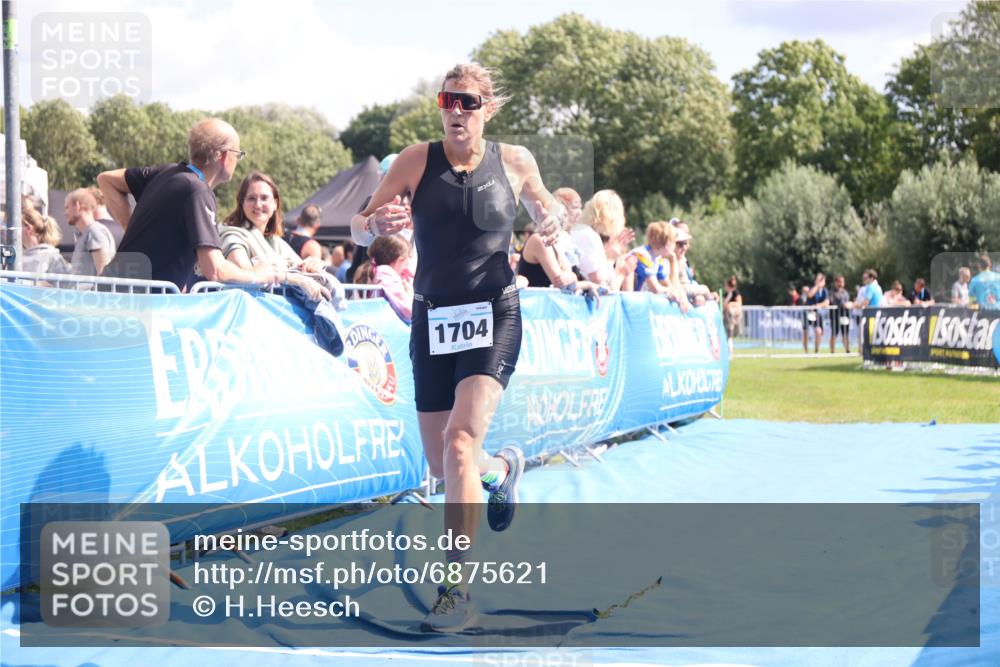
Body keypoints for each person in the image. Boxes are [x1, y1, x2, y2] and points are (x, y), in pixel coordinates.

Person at [349, 63, 564, 633]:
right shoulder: (414, 160)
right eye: (448, 100)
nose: (455, 111)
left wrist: (555, 217)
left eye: (467, 102)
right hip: (433, 317)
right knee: (443, 463)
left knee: (460, 442)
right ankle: (501, 471)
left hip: (495, 312)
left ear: (487, 109)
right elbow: (356, 227)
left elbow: (549, 207)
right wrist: (374, 225)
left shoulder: (515, 161)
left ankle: (456, 590)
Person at [98, 118, 281, 290]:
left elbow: (106, 180)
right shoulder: (198, 191)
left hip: (110, 294)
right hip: (134, 306)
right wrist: (260, 275)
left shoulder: (165, 172)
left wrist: (132, 229)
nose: (237, 161)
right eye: (238, 154)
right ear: (225, 157)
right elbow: (216, 269)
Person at [218, 171, 329, 301]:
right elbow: (244, 271)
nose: (258, 204)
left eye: (264, 198)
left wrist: (313, 265)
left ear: (275, 203)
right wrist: (292, 279)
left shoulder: (275, 242)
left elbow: (299, 268)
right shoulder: (232, 235)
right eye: (251, 198)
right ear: (242, 203)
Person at [630, 221, 688, 311]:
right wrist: (671, 292)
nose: (674, 246)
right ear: (667, 244)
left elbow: (668, 283)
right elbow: (655, 288)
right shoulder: (643, 255)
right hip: (631, 305)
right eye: (674, 242)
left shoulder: (658, 258)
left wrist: (680, 295)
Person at [65, 188, 116, 276]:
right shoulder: (89, 232)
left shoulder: (94, 231)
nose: (65, 213)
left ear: (77, 206)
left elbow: (103, 273)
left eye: (67, 207)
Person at [368, 234, 414, 323]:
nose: (406, 268)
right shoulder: (386, 273)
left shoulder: (380, 272)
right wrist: (410, 293)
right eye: (406, 263)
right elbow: (409, 311)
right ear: (400, 260)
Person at [21, 207, 70, 274]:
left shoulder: (53, 258)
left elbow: (65, 283)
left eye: (16, 225)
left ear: (28, 229)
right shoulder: (18, 258)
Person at [801, 273, 829, 353]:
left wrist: (817, 305)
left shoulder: (824, 291)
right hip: (807, 313)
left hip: (817, 314)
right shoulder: (811, 288)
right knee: (805, 332)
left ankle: (816, 350)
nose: (820, 282)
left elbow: (827, 302)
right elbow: (810, 295)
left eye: (822, 280)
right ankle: (806, 351)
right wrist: (817, 286)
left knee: (818, 331)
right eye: (818, 280)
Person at [828, 275, 852, 354]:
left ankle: (847, 350)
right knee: (834, 333)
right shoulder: (832, 292)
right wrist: (842, 305)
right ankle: (832, 351)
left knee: (845, 333)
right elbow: (832, 302)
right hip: (835, 316)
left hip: (845, 315)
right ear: (836, 282)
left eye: (842, 282)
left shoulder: (845, 292)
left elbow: (848, 301)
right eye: (840, 282)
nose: (841, 283)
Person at [722, 276, 743, 354]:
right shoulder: (725, 295)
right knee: (728, 335)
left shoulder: (736, 293)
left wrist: (731, 304)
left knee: (732, 334)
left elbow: (739, 303)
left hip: (735, 316)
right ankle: (729, 352)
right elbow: (724, 305)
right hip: (727, 317)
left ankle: (730, 352)